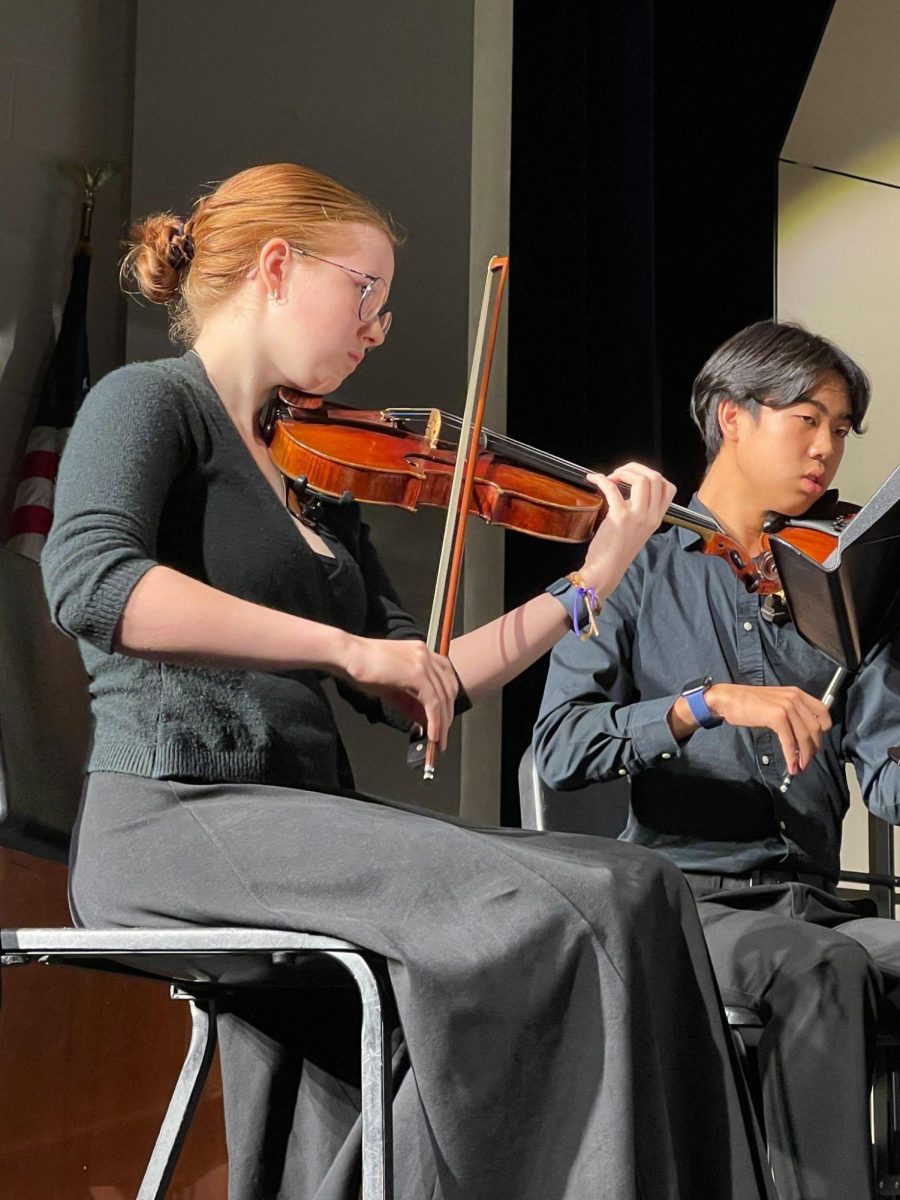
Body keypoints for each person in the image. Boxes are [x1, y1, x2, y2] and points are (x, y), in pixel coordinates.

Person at [43, 163, 767, 1200]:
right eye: (365, 293)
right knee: (550, 912)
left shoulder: (312, 474)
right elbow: (95, 586)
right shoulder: (148, 404)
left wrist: (597, 574)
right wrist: (340, 648)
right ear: (279, 268)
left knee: (640, 885)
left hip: (297, 823)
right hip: (175, 813)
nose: (376, 329)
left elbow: (423, 678)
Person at [535, 319, 900, 1200]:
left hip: (818, 899)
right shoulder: (626, 570)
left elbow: (888, 771)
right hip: (688, 904)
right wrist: (703, 705)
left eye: (843, 430)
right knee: (824, 970)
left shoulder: (842, 589)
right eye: (806, 419)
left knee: (834, 955)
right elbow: (561, 747)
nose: (826, 449)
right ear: (732, 417)